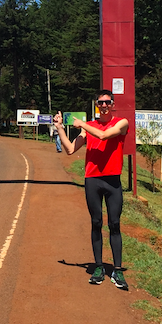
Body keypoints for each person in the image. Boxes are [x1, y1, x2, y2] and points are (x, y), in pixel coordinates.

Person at [54, 91, 129, 290]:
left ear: (112, 104)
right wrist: (60, 128)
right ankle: (98, 267)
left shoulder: (122, 123)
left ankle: (117, 270)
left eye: (107, 102)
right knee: (96, 222)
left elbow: (104, 136)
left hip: (112, 181)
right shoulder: (89, 128)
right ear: (97, 105)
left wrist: (83, 125)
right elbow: (70, 149)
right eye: (100, 103)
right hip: (93, 180)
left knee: (114, 223)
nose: (104, 106)